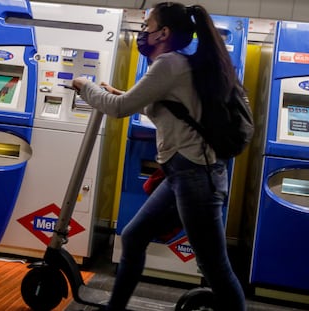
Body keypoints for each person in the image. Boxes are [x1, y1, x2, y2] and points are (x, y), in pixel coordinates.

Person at [72, 2, 246, 310]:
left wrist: (85, 85)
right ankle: (116, 307)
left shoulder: (168, 64)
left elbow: (119, 110)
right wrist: (117, 94)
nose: (142, 32)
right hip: (184, 173)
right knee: (134, 235)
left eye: (146, 26)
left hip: (196, 177)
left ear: (163, 33)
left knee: (214, 267)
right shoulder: (179, 63)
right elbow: (166, 109)